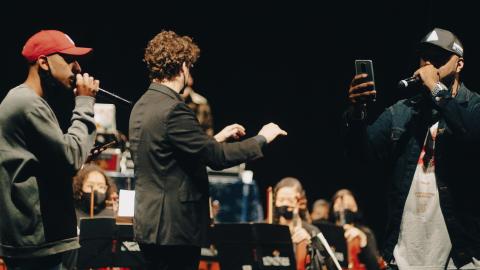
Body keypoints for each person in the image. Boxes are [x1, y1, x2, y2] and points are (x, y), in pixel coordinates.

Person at [128, 30, 287, 270]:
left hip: (150, 226)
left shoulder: (142, 105)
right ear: (182, 66)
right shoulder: (173, 109)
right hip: (174, 229)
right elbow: (218, 158)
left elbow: (172, 153)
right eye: (189, 67)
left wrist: (218, 137)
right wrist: (262, 138)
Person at [343, 27, 480, 269]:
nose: (428, 64)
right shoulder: (402, 111)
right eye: (424, 57)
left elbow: (469, 134)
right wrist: (357, 113)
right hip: (404, 255)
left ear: (459, 65)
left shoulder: (474, 106)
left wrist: (437, 88)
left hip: (458, 257)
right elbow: (361, 155)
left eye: (438, 58)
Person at [0, 30, 99, 270]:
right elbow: (71, 158)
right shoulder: (28, 104)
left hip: (35, 240)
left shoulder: (25, 100)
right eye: (68, 59)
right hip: (38, 244)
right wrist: (85, 103)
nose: (77, 68)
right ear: (43, 62)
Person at [272, 177, 322, 270]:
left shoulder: (313, 231)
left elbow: (321, 265)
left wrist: (309, 246)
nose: (285, 204)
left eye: (290, 200)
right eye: (281, 200)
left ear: (300, 202)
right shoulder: (266, 229)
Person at [330, 189, 382, 270]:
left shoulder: (365, 232)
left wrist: (363, 239)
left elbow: (374, 267)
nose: (343, 210)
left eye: (349, 206)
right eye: (339, 206)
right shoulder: (329, 232)